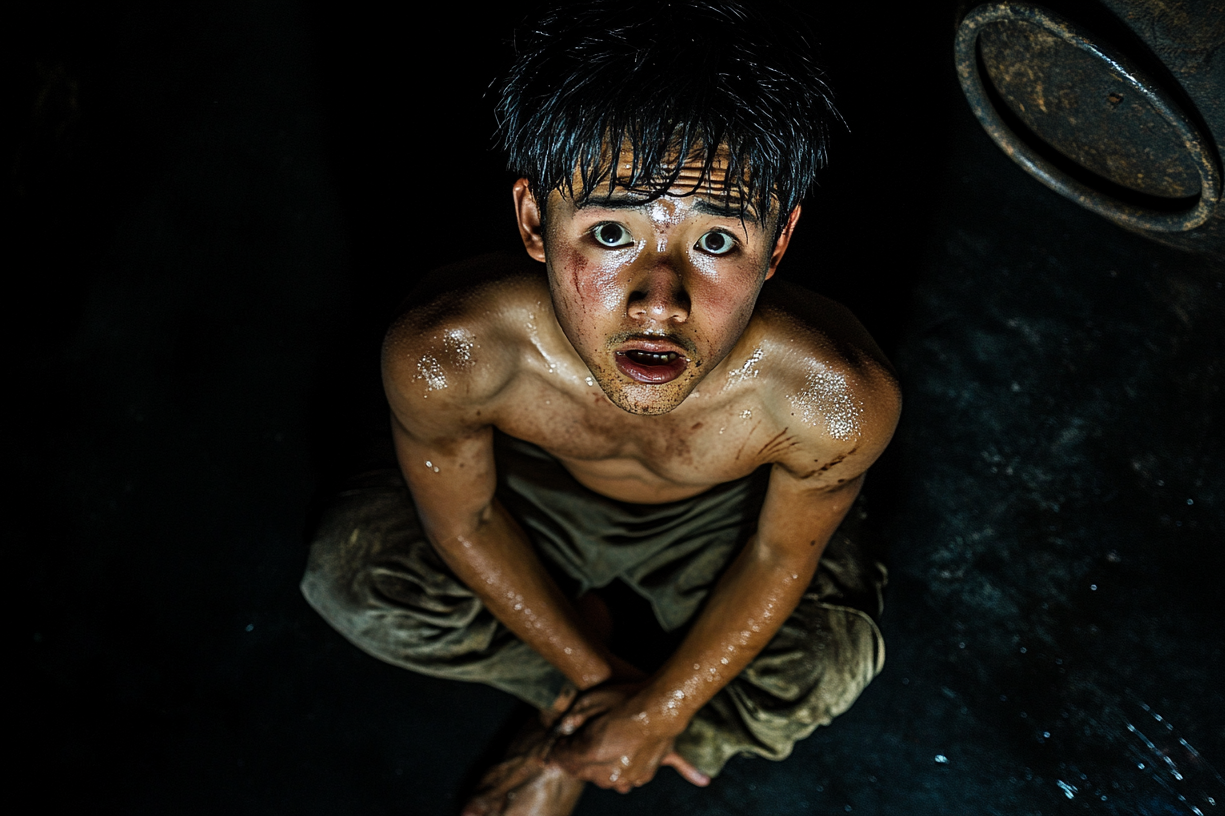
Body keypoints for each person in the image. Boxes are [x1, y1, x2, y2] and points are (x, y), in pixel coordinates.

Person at [301, 2, 901, 813]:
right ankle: (601, 728)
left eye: (717, 241)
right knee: (352, 577)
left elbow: (774, 559)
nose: (661, 302)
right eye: (611, 234)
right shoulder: (452, 352)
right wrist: (620, 696)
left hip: (718, 526)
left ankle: (580, 744)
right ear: (533, 223)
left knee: (829, 666)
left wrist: (660, 709)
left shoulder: (833, 399)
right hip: (531, 499)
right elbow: (467, 521)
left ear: (780, 242)